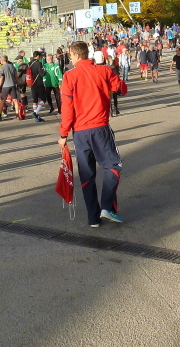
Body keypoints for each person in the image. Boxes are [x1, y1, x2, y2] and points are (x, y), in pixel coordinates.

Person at [58, 41, 126, 228]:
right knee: (114, 166)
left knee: (87, 175)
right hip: (100, 128)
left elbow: (67, 109)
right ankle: (107, 206)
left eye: (70, 56)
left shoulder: (69, 76)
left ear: (77, 55)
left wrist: (63, 134)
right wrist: (113, 76)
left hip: (80, 132)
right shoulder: (104, 71)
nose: (70, 59)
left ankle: (93, 218)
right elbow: (122, 89)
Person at [0, 55, 20, 120]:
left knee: (2, 100)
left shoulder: (2, 67)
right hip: (13, 85)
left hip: (5, 86)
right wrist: (18, 84)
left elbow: (1, 78)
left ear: (2, 60)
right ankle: (17, 114)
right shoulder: (12, 66)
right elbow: (16, 76)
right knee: (15, 100)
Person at [29, 51, 47, 122]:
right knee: (43, 99)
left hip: (32, 83)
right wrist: (45, 72)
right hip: (39, 83)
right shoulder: (38, 63)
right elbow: (42, 74)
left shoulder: (29, 63)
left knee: (35, 100)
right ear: (38, 56)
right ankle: (36, 113)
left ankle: (36, 117)